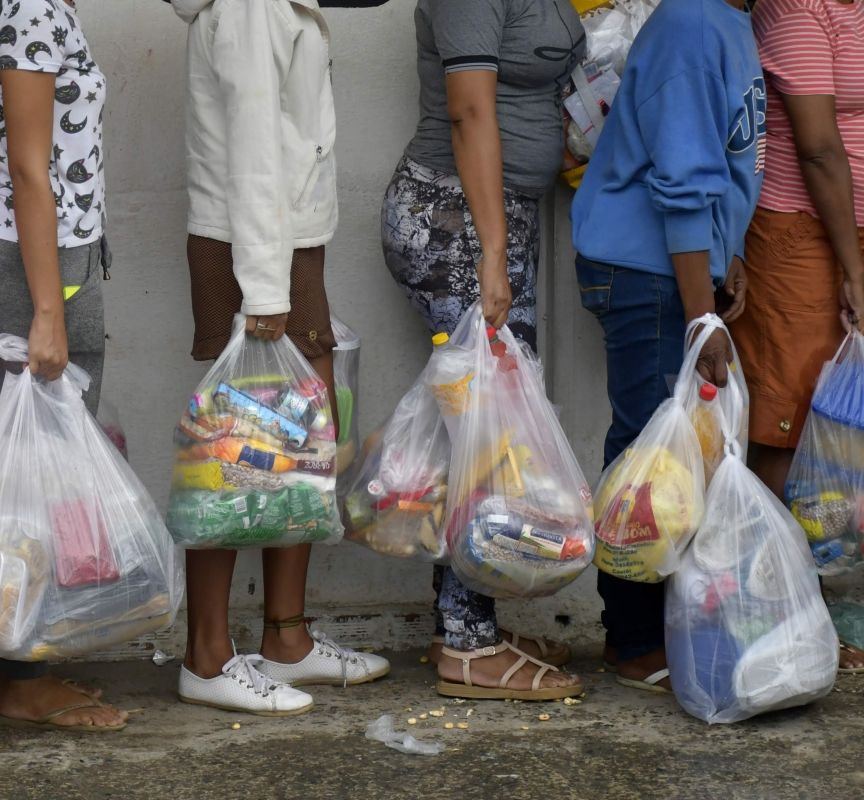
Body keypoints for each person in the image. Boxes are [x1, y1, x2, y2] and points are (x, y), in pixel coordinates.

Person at [170, 0, 390, 717]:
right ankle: (206, 656)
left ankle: (287, 640)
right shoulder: (253, 6)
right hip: (256, 248)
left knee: (294, 445)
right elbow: (255, 150)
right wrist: (265, 289)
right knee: (238, 453)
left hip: (281, 242)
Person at [381, 0, 586, 701]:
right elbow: (469, 111)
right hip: (454, 222)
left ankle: (462, 621)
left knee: (478, 435)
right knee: (489, 440)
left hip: (496, 220)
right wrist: (493, 254)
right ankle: (468, 646)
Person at [572, 0, 764, 692]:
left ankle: (653, 628)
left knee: (675, 453)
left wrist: (726, 255)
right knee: (649, 454)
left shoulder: (732, 23)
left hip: (677, 266)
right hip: (646, 270)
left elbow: (724, 162)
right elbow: (681, 183)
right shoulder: (690, 23)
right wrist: (699, 315)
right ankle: (634, 639)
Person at [0, 0, 127, 732]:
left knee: (24, 471)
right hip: (35, 268)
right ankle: (25, 672)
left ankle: (3, 667)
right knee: (41, 484)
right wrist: (49, 310)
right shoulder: (29, 8)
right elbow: (30, 165)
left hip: (35, 258)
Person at [729, 0, 864, 672]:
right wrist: (853, 266)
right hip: (799, 239)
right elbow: (816, 145)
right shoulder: (794, 13)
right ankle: (777, 609)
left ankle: (835, 605)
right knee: (789, 424)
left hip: (848, 239)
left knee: (846, 436)